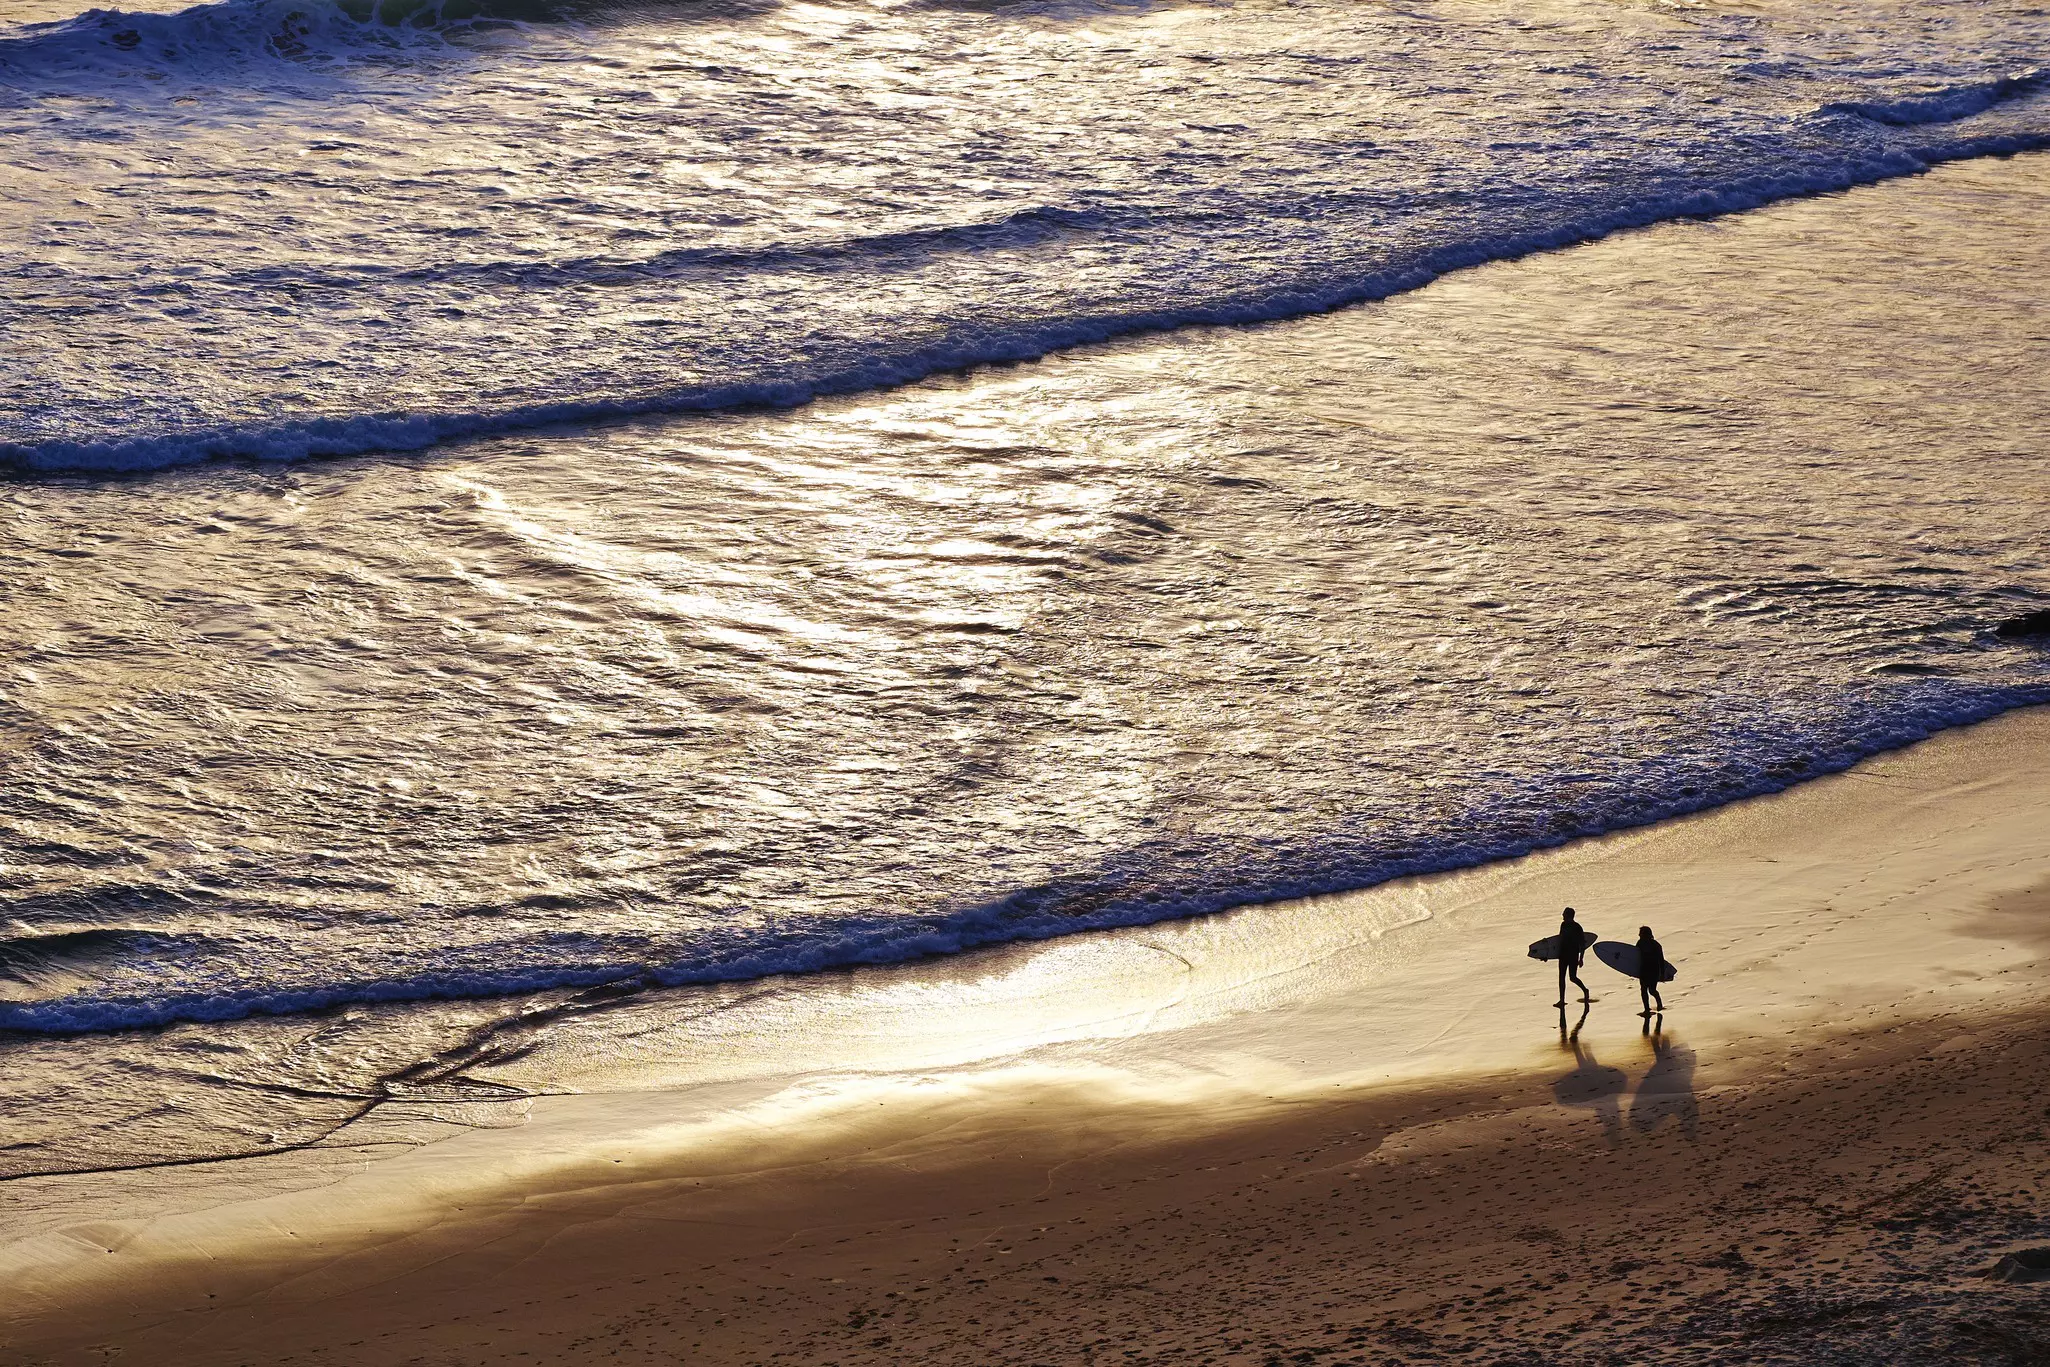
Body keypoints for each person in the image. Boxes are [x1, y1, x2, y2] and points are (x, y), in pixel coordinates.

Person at [1555, 906, 1590, 1008]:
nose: (1562, 915)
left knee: (1572, 977)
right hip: (1562, 955)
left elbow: (1582, 944)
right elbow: (1559, 940)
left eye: (1564, 913)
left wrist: (1581, 958)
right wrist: (1548, 953)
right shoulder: (1563, 925)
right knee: (1561, 977)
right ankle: (1562, 1000)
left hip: (1573, 955)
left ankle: (1585, 990)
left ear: (1569, 915)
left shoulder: (1577, 927)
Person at [1635, 924, 1667, 1017]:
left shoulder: (1655, 945)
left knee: (1652, 990)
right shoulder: (1640, 943)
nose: (1639, 935)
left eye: (1640, 933)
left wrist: (1662, 973)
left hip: (1653, 969)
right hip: (1644, 969)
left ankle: (1659, 1004)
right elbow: (1634, 957)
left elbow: (1661, 959)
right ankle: (1646, 1008)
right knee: (1643, 990)